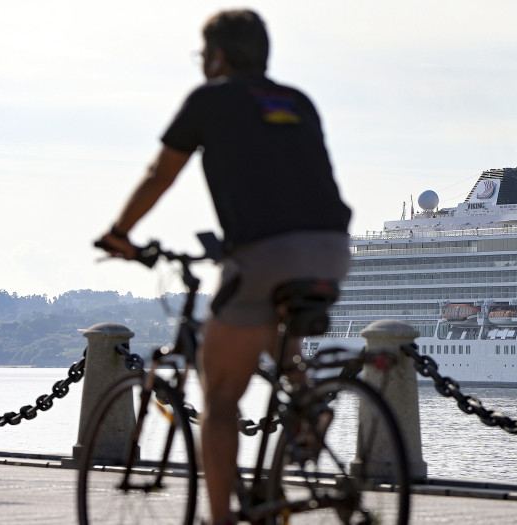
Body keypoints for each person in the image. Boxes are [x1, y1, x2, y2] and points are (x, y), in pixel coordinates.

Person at [96, 9, 351, 524]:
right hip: (333, 248)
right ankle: (308, 403)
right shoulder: (296, 100)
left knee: (220, 397)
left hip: (263, 251)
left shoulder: (208, 99)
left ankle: (220, 520)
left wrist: (120, 234)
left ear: (216, 55)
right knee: (278, 328)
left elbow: (159, 174)